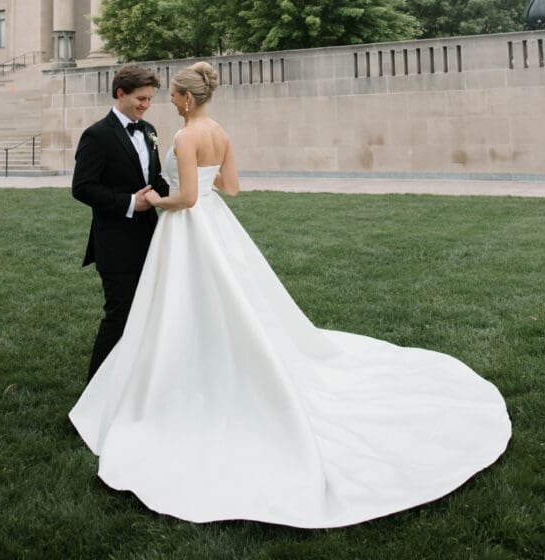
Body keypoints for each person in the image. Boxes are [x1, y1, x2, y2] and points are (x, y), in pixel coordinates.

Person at [70, 61, 511, 528]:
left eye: (169, 96)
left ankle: (165, 379)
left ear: (186, 98)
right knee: (197, 303)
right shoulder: (215, 131)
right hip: (213, 228)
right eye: (145, 98)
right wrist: (187, 184)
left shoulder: (180, 136)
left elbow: (188, 197)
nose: (160, 103)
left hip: (185, 225)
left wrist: (158, 199)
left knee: (182, 302)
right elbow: (230, 187)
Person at [71, 63, 169, 381]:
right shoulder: (97, 135)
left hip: (149, 238)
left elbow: (153, 179)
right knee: (119, 315)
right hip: (114, 243)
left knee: (146, 313)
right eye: (140, 98)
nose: (145, 105)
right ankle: (94, 393)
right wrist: (129, 203)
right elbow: (82, 187)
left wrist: (181, 195)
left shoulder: (150, 130)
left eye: (149, 99)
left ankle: (133, 381)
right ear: (120, 93)